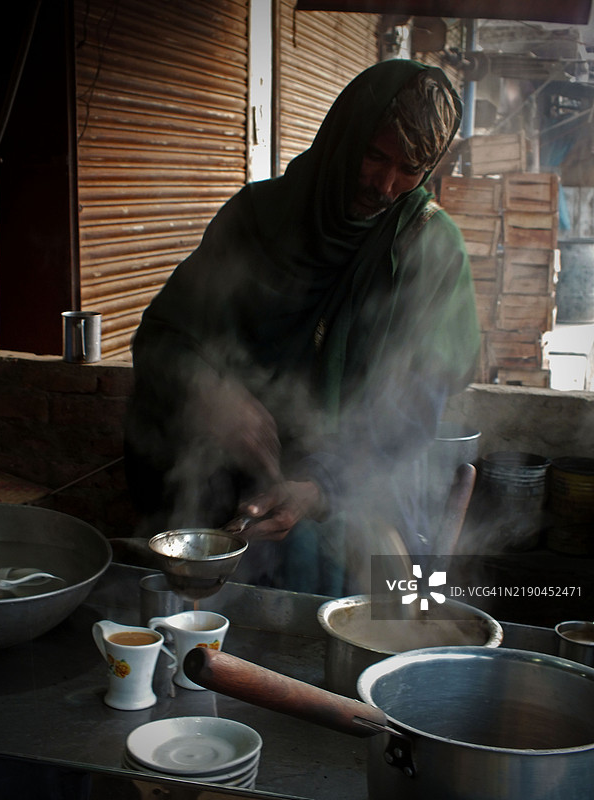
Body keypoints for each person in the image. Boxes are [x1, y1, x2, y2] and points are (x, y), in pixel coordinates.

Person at [124, 58, 480, 595]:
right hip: (227, 475)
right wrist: (209, 391)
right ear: (343, 136)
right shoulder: (257, 218)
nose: (386, 186)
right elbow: (162, 338)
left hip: (355, 479)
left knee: (365, 616)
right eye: (375, 156)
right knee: (203, 617)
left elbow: (414, 403)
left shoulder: (429, 249)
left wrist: (321, 485)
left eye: (410, 169)